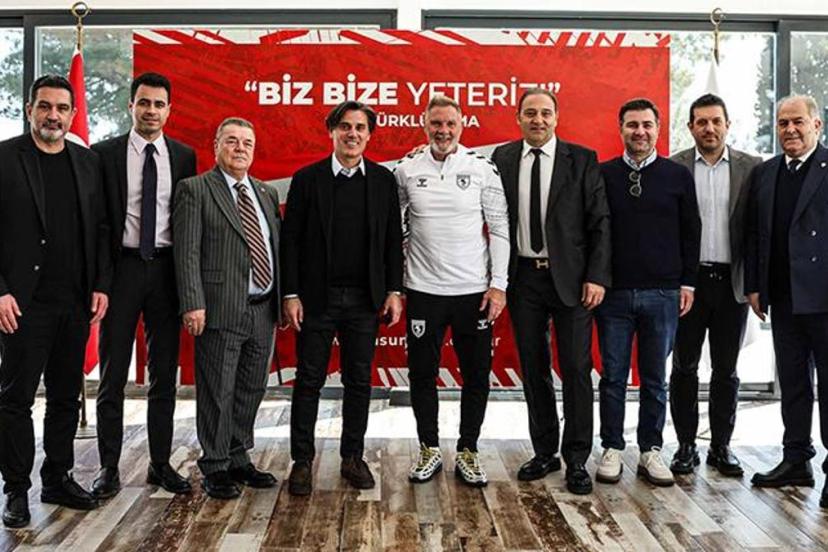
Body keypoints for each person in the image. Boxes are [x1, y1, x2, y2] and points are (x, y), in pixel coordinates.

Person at [0, 75, 112, 527]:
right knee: (16, 400)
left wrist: (101, 284)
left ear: (72, 114)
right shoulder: (5, 158)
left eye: (62, 108)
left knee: (67, 397)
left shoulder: (87, 162)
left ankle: (57, 478)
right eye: (45, 106)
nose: (53, 116)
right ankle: (15, 489)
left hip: (75, 302)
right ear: (29, 110)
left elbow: (101, 228)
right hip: (22, 304)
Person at [491, 88, 611, 494]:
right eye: (530, 113)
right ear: (518, 118)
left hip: (573, 281)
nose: (538, 120)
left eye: (545, 113)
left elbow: (599, 222)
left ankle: (576, 458)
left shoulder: (582, 159)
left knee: (576, 368)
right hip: (523, 278)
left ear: (557, 117)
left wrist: (596, 277)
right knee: (534, 367)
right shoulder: (503, 158)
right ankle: (545, 451)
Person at [281, 101, 403, 496]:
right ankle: (302, 461)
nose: (353, 134)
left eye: (360, 127)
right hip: (317, 298)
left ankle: (352, 457)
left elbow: (392, 240)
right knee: (309, 380)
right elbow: (291, 241)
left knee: (359, 381)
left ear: (369, 135)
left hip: (365, 301)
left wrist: (394, 290)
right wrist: (291, 293)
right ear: (331, 132)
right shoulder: (307, 179)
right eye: (345, 127)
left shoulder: (383, 180)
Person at [92, 72, 197, 499]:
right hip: (122, 270)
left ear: (169, 110)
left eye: (158, 104)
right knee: (112, 374)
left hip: (167, 273)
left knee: (163, 375)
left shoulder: (184, 156)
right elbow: (98, 224)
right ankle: (108, 467)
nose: (151, 110)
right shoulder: (104, 155)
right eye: (144, 102)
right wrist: (99, 281)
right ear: (130, 106)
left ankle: (160, 463)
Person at [396, 95, 509, 488]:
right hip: (422, 291)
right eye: (436, 123)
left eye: (450, 124)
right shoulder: (406, 169)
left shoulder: (482, 168)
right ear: (424, 124)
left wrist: (498, 285)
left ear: (462, 125)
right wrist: (396, 283)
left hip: (473, 293)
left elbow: (499, 228)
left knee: (476, 375)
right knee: (421, 374)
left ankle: (468, 450)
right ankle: (428, 448)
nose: (443, 131)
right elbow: (392, 226)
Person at [173, 117, 281, 500]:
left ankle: (238, 456)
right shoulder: (196, 189)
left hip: (262, 309)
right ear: (216, 145)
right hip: (219, 307)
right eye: (232, 141)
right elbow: (187, 251)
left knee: (251, 387)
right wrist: (193, 303)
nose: (240, 148)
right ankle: (215, 464)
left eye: (247, 143)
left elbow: (274, 247)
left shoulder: (266, 193)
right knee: (218, 390)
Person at [595, 98, 701, 487]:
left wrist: (687, 283)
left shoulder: (677, 175)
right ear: (620, 128)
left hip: (663, 293)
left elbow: (691, 232)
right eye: (632, 125)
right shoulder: (603, 174)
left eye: (646, 125)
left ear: (658, 128)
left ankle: (651, 450)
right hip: (614, 295)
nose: (639, 132)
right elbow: (593, 232)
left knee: (656, 378)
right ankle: (612, 447)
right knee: (613, 377)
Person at [669, 93, 761, 477]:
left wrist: (756, 283)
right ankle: (685, 445)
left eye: (716, 121)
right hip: (687, 285)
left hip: (731, 284)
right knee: (684, 367)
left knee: (726, 369)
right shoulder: (673, 167)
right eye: (701, 122)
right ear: (690, 126)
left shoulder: (752, 168)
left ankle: (721, 446)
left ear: (727, 124)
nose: (709, 128)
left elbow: (758, 231)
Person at [745, 94, 828, 509]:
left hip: (824, 297)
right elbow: (756, 234)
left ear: (817, 125)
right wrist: (755, 285)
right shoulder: (766, 172)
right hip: (783, 296)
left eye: (798, 122)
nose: (790, 130)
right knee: (793, 383)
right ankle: (796, 459)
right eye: (782, 123)